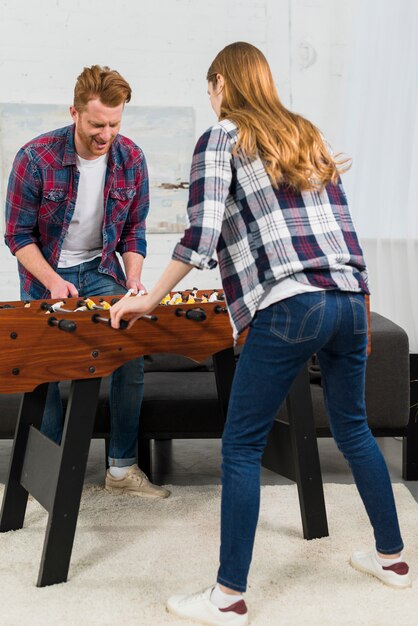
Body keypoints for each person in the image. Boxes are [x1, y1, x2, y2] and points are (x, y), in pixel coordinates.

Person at [110, 42, 410, 625]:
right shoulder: (305, 134)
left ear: (222, 82)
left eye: (209, 87)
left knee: (242, 444)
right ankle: (393, 561)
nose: (210, 97)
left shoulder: (222, 136)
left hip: (291, 304)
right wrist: (360, 310)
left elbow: (201, 232)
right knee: (352, 429)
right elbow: (345, 227)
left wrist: (150, 296)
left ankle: (228, 597)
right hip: (349, 299)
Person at [5, 65, 170, 499]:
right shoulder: (35, 157)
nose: (106, 133)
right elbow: (18, 236)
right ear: (74, 112)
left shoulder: (130, 158)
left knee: (129, 351)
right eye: (97, 124)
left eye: (115, 123)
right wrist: (53, 281)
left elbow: (134, 229)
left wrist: (133, 277)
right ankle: (57, 471)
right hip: (46, 274)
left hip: (101, 271)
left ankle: (121, 469)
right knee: (47, 371)